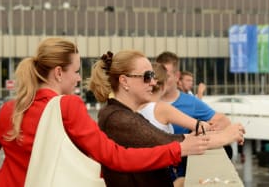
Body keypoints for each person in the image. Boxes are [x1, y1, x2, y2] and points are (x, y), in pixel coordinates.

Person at [0, 38, 208, 187]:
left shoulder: (11, 109)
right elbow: (116, 158)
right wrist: (178, 149)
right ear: (59, 73)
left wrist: (0, 183)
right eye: (76, 71)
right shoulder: (66, 107)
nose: (79, 79)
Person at [88, 50, 213, 187]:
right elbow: (172, 142)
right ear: (124, 81)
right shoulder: (118, 118)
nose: (153, 82)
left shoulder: (121, 114)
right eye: (147, 76)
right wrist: (229, 135)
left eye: (153, 76)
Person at [156, 51, 233, 180]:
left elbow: (222, 120)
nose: (160, 80)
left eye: (166, 75)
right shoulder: (146, 102)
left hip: (180, 174)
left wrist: (211, 130)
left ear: (177, 76)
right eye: (157, 75)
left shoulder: (191, 102)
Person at [140, 62, 244, 148]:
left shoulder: (138, 107)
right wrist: (229, 133)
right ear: (163, 85)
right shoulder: (161, 108)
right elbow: (200, 127)